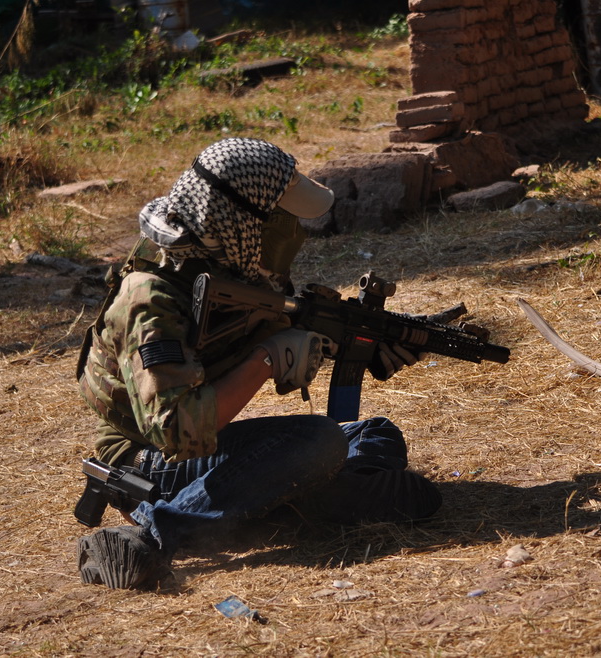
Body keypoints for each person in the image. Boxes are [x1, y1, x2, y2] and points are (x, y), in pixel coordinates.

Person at [75, 137, 441, 590]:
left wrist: (367, 345)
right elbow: (178, 431)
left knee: (375, 433)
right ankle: (157, 532)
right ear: (242, 220)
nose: (296, 232)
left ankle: (276, 504)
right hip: (146, 459)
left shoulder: (228, 267)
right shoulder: (150, 298)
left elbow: (273, 331)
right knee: (321, 441)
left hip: (201, 451)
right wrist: (267, 361)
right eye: (283, 218)